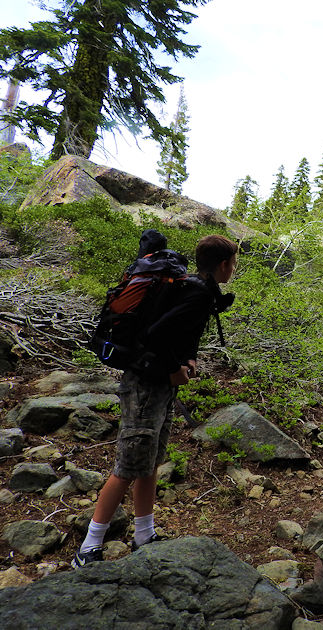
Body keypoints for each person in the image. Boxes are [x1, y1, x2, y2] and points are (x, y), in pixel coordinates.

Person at [72, 234, 238, 568]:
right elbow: (155, 335)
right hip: (145, 386)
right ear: (223, 264)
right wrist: (174, 369)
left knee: (148, 464)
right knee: (128, 467)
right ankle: (89, 546)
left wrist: (188, 359)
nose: (234, 269)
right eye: (233, 263)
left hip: (155, 384)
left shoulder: (195, 288)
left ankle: (144, 535)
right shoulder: (197, 293)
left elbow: (179, 335)